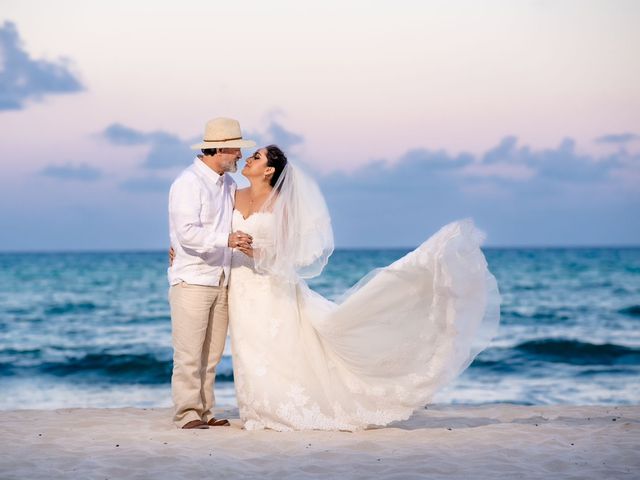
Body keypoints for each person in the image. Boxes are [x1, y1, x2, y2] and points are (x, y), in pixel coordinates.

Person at [225, 145, 501, 431]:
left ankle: (275, 410)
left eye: (256, 157)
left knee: (276, 346)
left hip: (271, 286)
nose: (248, 158)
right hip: (240, 285)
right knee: (247, 345)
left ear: (269, 170)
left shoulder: (281, 203)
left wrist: (255, 251)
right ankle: (254, 410)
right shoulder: (232, 194)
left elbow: (289, 253)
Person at [167, 117, 255, 429]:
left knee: (212, 355)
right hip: (192, 279)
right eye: (236, 151)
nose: (240, 156)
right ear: (219, 149)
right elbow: (187, 232)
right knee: (189, 354)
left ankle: (205, 411)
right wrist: (226, 240)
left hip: (223, 278)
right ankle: (187, 413)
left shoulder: (229, 184)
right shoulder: (187, 183)